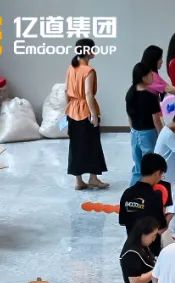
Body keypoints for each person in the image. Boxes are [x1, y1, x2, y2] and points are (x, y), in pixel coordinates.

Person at [65, 39, 108, 190]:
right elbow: (89, 94)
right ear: (87, 51)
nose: (94, 51)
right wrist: (94, 115)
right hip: (85, 112)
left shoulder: (71, 67)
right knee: (92, 145)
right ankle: (93, 179)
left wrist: (68, 108)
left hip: (72, 109)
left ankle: (78, 181)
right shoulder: (89, 71)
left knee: (75, 146)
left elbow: (66, 91)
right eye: (92, 49)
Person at [118, 152, 171, 250]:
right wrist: (169, 217)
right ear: (157, 173)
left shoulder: (127, 193)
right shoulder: (155, 196)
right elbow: (161, 228)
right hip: (150, 251)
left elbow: (122, 222)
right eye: (161, 174)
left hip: (131, 248)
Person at [125, 62, 163, 185]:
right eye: (150, 74)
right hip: (148, 134)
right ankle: (145, 193)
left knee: (138, 166)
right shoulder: (151, 97)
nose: (153, 76)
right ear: (143, 77)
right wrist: (162, 135)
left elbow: (129, 115)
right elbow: (156, 120)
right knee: (149, 167)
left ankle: (132, 192)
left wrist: (133, 130)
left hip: (135, 133)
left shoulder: (130, 92)